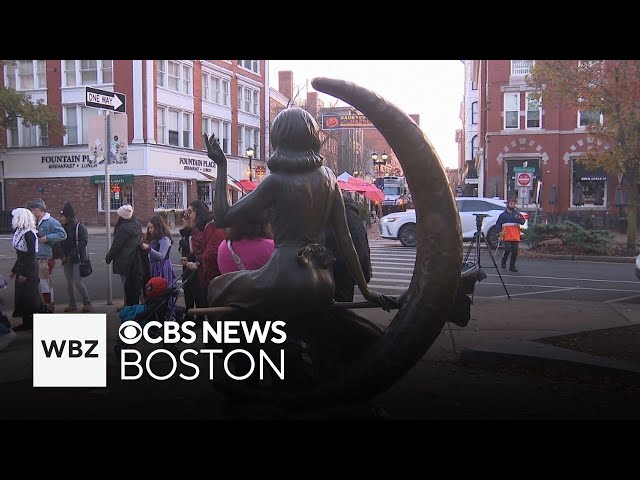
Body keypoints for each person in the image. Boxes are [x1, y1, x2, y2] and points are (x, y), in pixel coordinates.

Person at [203, 107, 390, 317]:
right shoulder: (329, 177)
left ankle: (245, 344)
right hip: (323, 277)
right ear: (312, 137)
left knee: (217, 286)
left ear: (279, 139)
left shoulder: (275, 181)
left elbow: (222, 218)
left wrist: (221, 166)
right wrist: (365, 291)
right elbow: (345, 239)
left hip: (286, 277)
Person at [179, 200, 225, 318]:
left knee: (214, 309)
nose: (188, 215)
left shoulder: (212, 227)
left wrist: (197, 264)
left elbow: (211, 252)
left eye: (190, 212)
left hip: (213, 275)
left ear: (198, 213)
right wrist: (189, 258)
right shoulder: (198, 229)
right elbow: (197, 250)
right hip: (203, 274)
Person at [325, 194, 372, 302]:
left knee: (341, 309)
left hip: (343, 272)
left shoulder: (347, 216)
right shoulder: (347, 215)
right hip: (341, 271)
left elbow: (356, 247)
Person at [26, 198, 67, 313]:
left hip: (45, 257)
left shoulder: (51, 221)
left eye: (32, 210)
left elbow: (62, 234)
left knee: (45, 283)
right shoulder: (33, 221)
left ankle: (49, 305)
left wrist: (47, 238)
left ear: (38, 210)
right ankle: (42, 305)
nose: (31, 212)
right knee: (37, 284)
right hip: (35, 257)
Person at [9, 208, 43, 332]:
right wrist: (14, 269)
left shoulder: (29, 233)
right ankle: (26, 322)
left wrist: (24, 274)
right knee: (22, 296)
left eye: (15, 217)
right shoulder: (20, 231)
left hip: (29, 269)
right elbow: (20, 254)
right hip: (22, 266)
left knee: (29, 296)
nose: (13, 219)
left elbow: (31, 255)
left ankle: (32, 323)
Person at [105, 204, 144, 306]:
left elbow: (117, 245)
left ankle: (129, 307)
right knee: (134, 285)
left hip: (124, 260)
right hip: (135, 258)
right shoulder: (137, 224)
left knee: (127, 285)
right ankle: (131, 304)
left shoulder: (123, 228)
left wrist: (108, 257)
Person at [59, 202, 92, 313]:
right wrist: (62, 255)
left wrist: (72, 254)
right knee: (69, 283)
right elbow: (59, 243)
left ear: (69, 217)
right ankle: (72, 304)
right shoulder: (61, 228)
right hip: (66, 259)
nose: (61, 218)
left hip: (77, 258)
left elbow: (84, 242)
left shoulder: (79, 227)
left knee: (77, 281)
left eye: (63, 216)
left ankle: (87, 302)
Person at [140, 215, 176, 286]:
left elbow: (161, 256)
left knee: (162, 288)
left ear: (158, 227)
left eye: (151, 227)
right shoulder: (153, 238)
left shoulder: (164, 239)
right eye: (148, 228)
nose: (149, 230)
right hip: (153, 266)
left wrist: (148, 249)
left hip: (163, 266)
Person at [496, 197, 526, 272]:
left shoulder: (517, 214)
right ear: (507, 205)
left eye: (514, 204)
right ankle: (504, 261)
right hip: (506, 235)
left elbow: (522, 222)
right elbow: (498, 224)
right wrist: (499, 232)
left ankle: (512, 266)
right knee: (508, 249)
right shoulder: (503, 215)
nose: (512, 205)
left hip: (515, 235)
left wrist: (519, 218)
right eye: (511, 204)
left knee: (515, 251)